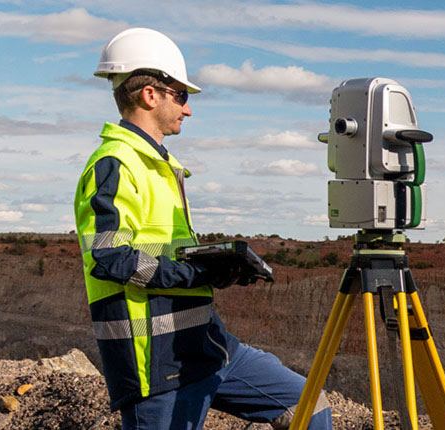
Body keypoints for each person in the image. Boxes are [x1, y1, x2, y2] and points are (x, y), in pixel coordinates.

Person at [72, 27, 332, 430]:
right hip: (156, 367)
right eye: (182, 95)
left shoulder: (159, 165)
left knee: (310, 404)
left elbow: (163, 249)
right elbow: (108, 257)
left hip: (207, 347)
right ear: (150, 94)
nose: (188, 109)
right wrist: (196, 272)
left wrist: (218, 266)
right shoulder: (116, 163)